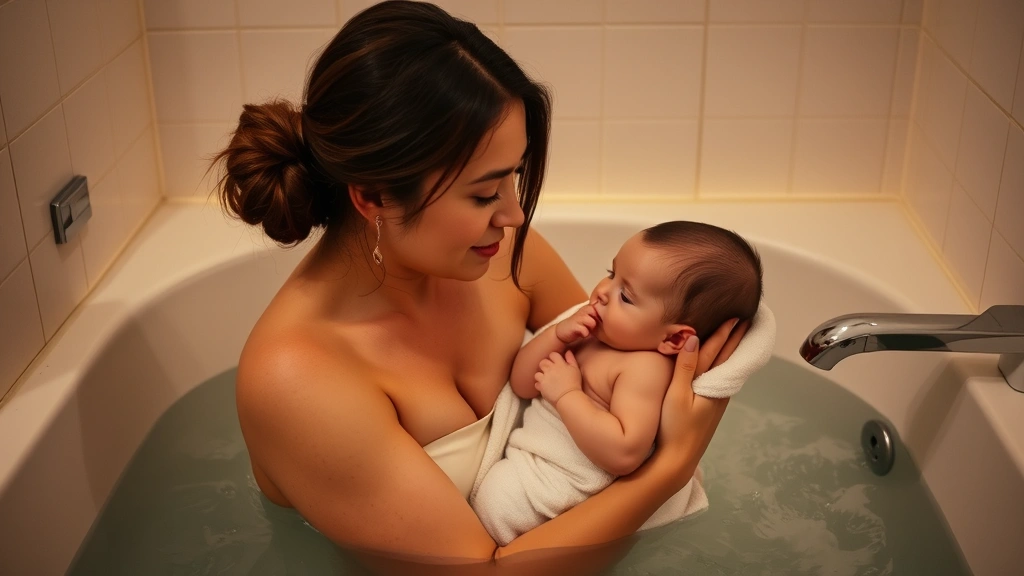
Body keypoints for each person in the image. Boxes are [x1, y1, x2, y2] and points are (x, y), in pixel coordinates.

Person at [212, 1, 749, 573]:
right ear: (372, 197)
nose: (514, 215)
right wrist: (671, 467)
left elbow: (623, 368)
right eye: (484, 194)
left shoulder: (502, 255)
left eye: (514, 177)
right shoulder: (298, 380)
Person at [474, 221, 763, 545]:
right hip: (528, 468)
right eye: (611, 273)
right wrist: (556, 335)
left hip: (561, 494)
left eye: (625, 296)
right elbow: (522, 384)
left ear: (674, 339)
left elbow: (625, 453)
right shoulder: (591, 333)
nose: (602, 291)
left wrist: (567, 395)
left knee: (497, 508)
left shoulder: (644, 368)